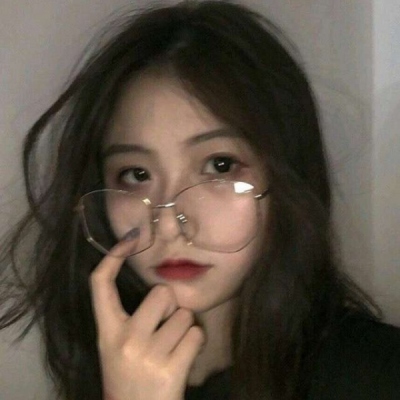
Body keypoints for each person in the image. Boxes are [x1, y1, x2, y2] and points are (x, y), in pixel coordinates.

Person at [1, 1, 399, 399]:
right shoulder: (96, 365)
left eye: (219, 166)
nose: (168, 224)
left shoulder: (376, 376)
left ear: (286, 180)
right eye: (136, 175)